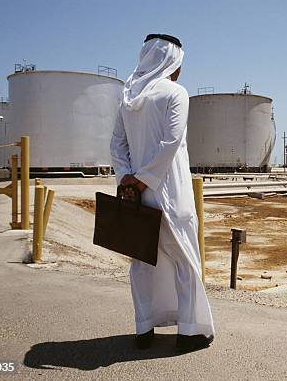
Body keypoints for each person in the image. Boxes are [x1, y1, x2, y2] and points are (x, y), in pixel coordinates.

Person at [110, 34, 215, 351]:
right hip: (170, 192)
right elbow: (170, 144)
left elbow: (117, 145)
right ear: (172, 63)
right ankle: (189, 331)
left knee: (142, 261)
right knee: (184, 259)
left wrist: (127, 179)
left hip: (135, 195)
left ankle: (144, 329)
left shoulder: (128, 98)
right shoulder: (176, 94)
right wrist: (143, 180)